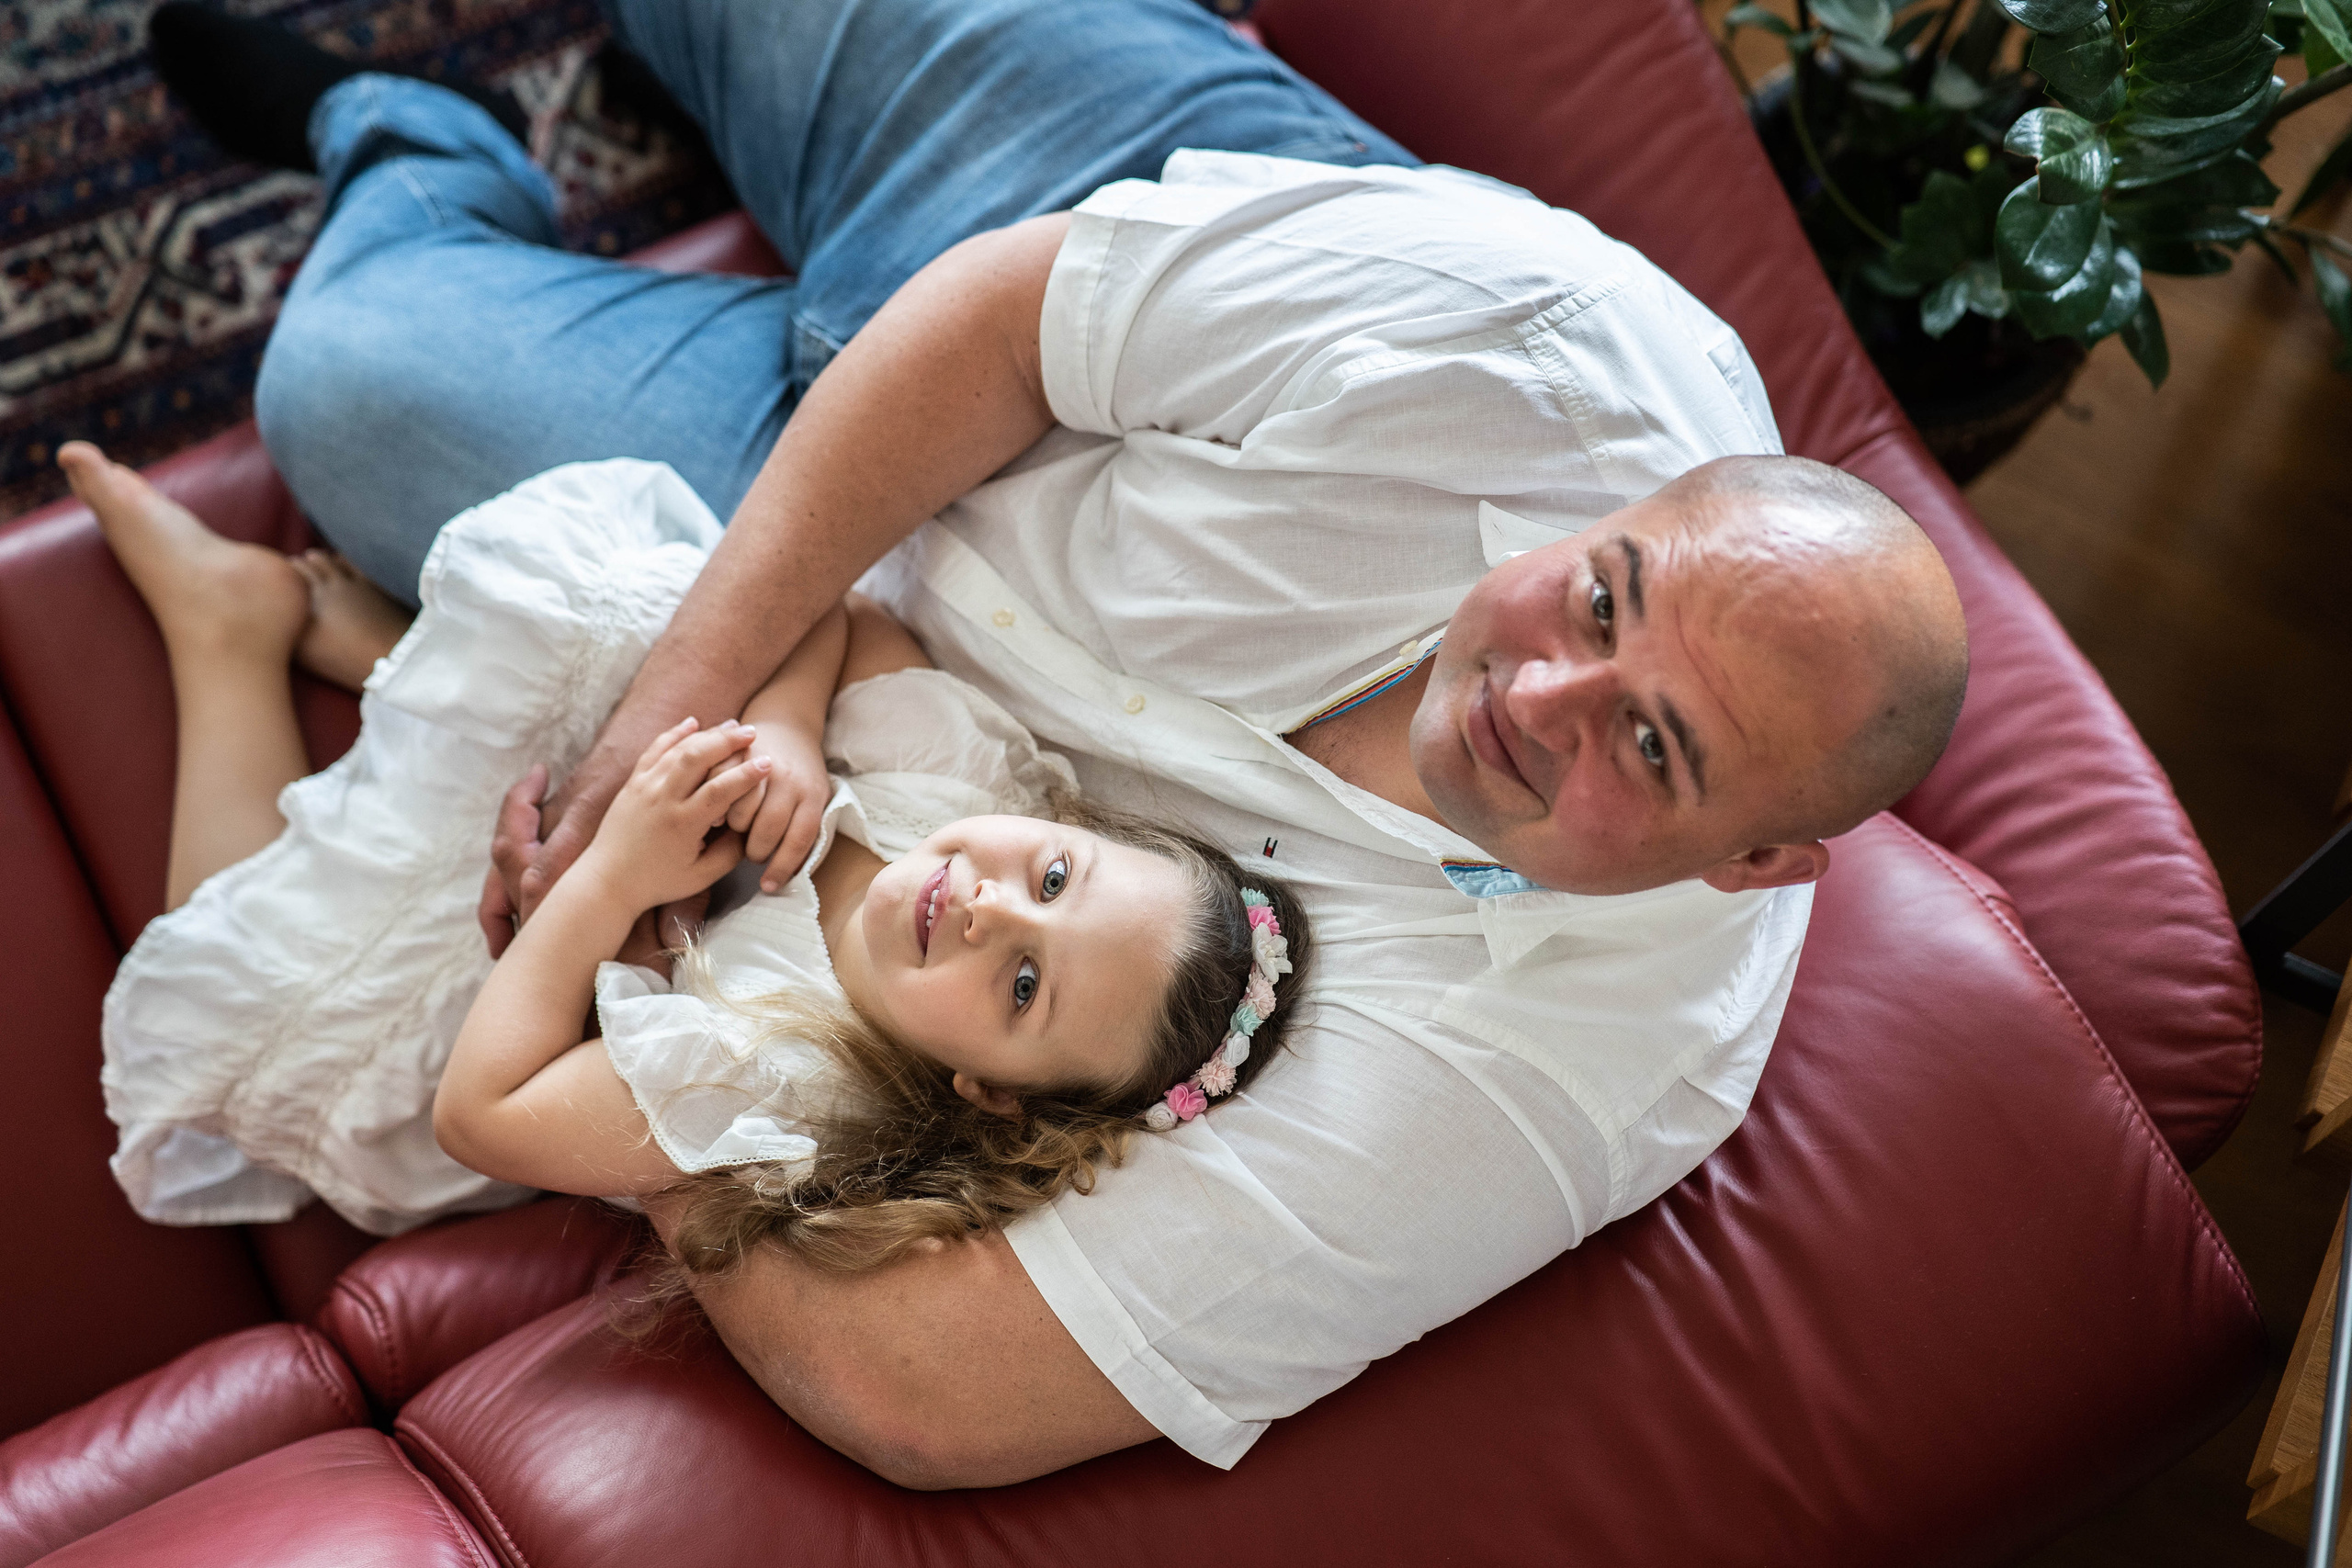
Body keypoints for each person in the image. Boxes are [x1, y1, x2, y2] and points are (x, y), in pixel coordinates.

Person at [148, 0, 1971, 1487]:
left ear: (1755, 859)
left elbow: (925, 1383)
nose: (1529, 691)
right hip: (1064, 272)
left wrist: (723, 1006)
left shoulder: (1568, 1062)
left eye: (1645, 745)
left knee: (344, 381)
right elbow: (1007, 320)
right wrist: (672, 721)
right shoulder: (1534, 353)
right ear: (1629, 499)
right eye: (1595, 593)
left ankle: (407, 140)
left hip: (842, 559)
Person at [73, 442, 1311, 1260]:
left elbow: (484, 1114)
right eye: (1051, 877)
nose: (991, 909)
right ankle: (388, 668)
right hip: (633, 861)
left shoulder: (785, 1079)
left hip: (497, 1023)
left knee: (256, 1020)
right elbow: (845, 607)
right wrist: (786, 737)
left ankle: (227, 636)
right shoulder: (956, 788)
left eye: (1025, 985)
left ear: (986, 1091)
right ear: (1065, 830)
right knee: (654, 611)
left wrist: (610, 875)